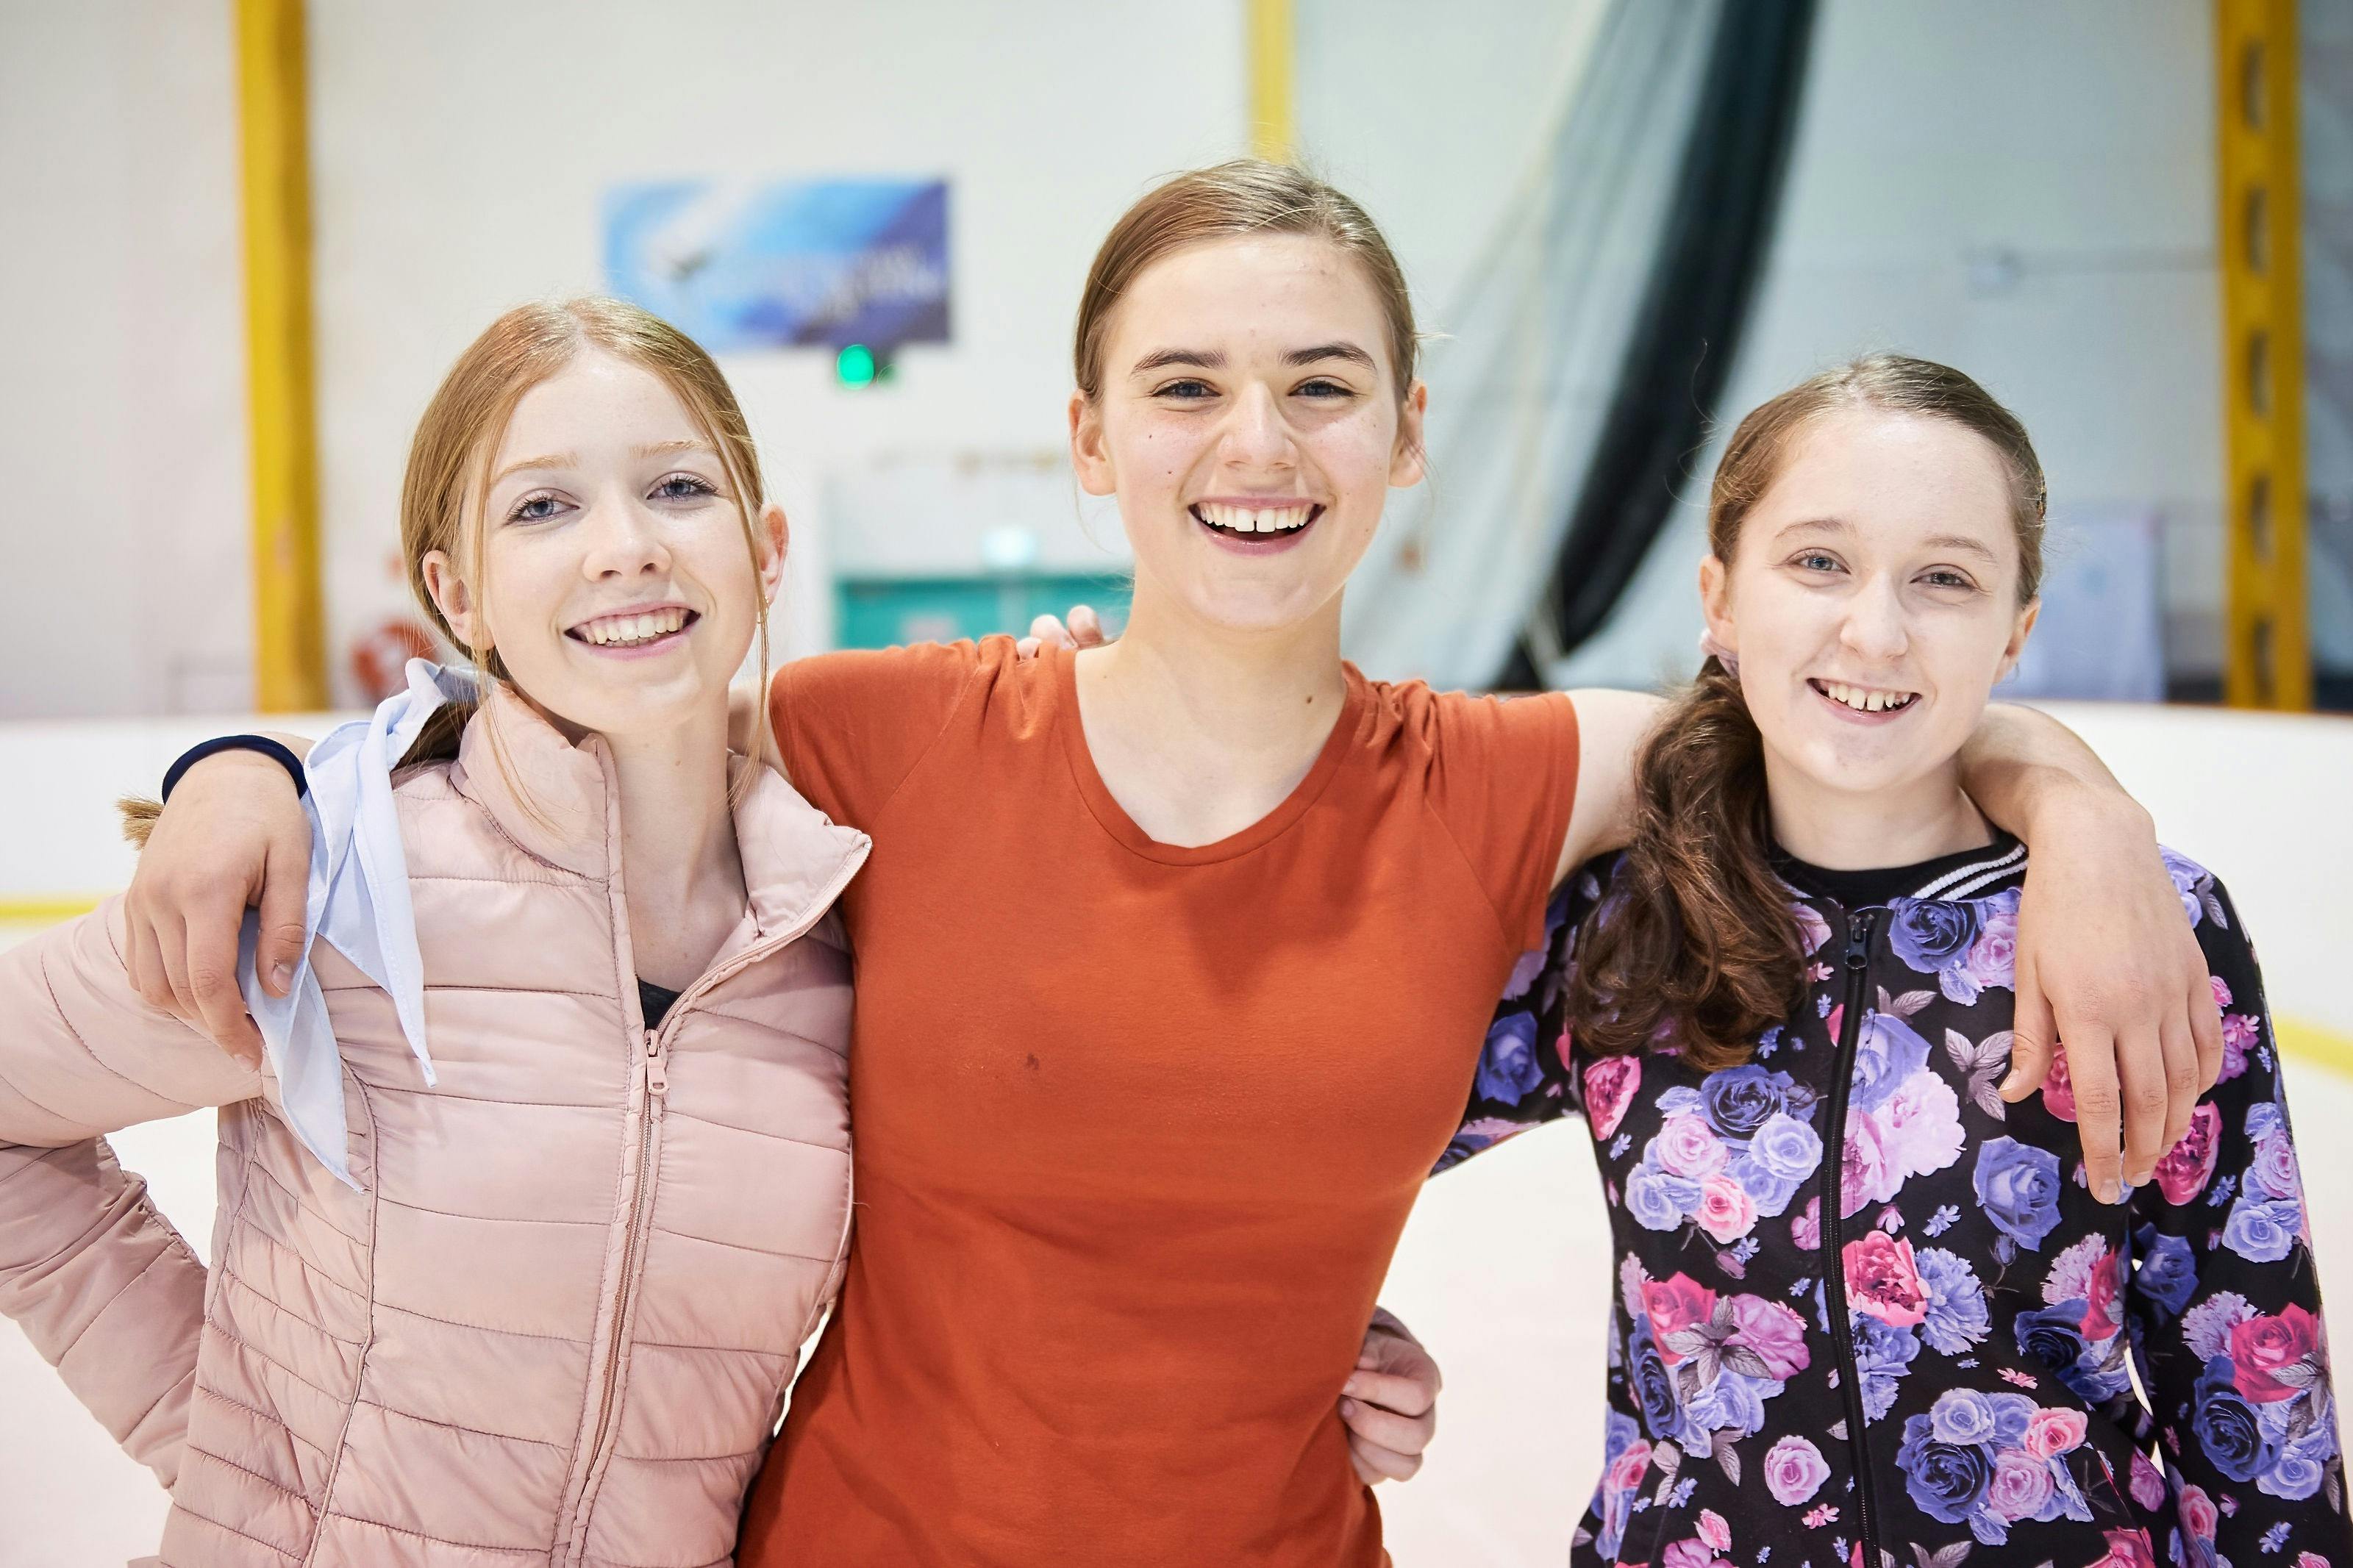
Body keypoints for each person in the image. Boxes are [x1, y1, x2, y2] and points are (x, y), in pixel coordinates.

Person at [125, 165, 2218, 1567]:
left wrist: (2079, 803)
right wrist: (255, 765)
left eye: (1321, 386)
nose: (1257, 442)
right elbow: (570, 719)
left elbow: (1825, 690)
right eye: (1187, 385)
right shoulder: (875, 735)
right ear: (1089, 437)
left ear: (1406, 433)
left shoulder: (1500, 781)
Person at [1448, 355, 2349, 1568]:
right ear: (1720, 598)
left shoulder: (2144, 921)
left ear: (2017, 631)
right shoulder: (1621, 919)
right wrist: (1324, 1343)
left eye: (1945, 579)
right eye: (1819, 561)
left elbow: (2248, 1372)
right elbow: (1315, 1143)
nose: (1874, 631)